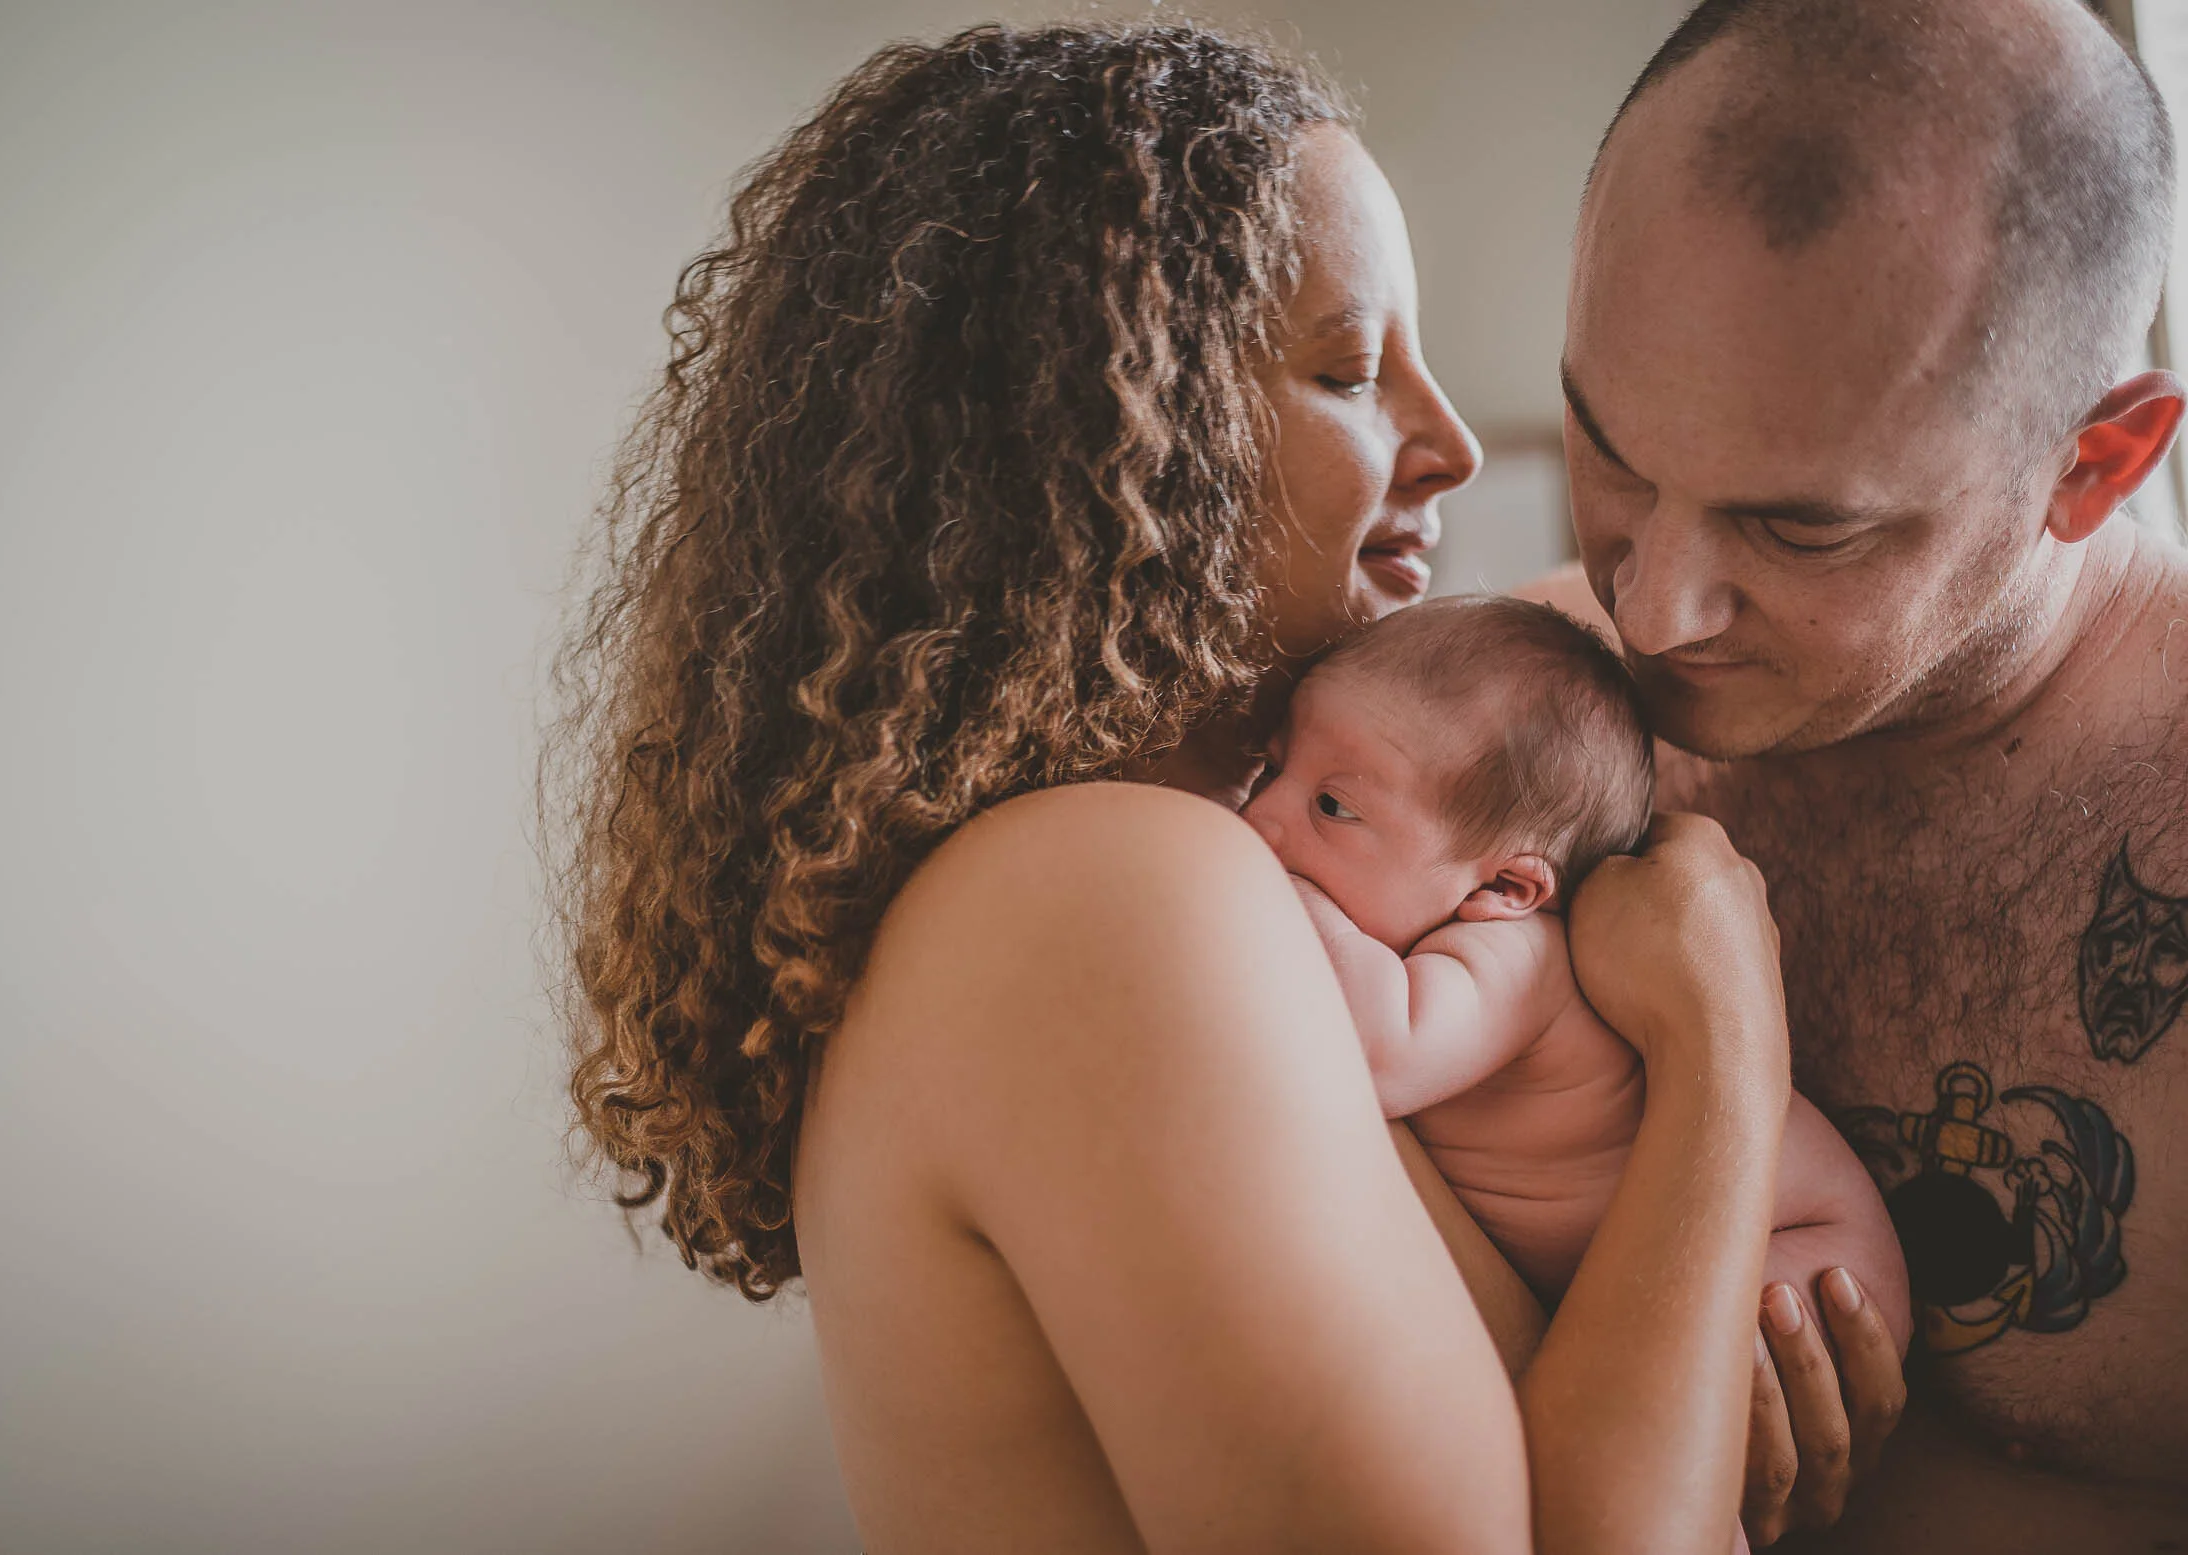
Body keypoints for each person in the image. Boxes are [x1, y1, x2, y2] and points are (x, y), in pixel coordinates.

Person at [548, 22, 1892, 1553]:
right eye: (1347, 367)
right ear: (1101, 445)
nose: (1450, 443)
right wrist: (1724, 1032)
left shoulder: (1140, 885)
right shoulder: (1103, 888)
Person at [1526, 0, 2188, 1545]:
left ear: (2095, 463)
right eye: (1607, 446)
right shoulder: (1509, 713)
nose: (1652, 605)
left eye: (1801, 527)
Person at [1248, 597, 1908, 1346]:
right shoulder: (1430, 929)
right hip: (1686, 1252)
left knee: (1693, 1375)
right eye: (1269, 769)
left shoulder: (1515, 960)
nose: (1261, 818)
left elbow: (1378, 1054)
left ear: (1503, 890)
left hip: (1806, 1247)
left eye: (1332, 806)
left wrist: (1275, 887)